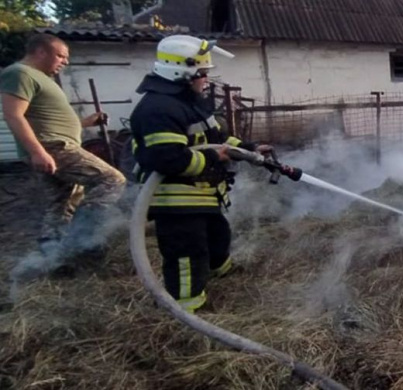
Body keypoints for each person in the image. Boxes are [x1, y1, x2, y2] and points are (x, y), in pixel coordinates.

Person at [129, 35, 281, 313]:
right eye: (202, 73)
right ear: (182, 72)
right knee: (187, 254)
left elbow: (218, 139)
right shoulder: (158, 109)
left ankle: (219, 274)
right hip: (176, 202)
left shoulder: (189, 102)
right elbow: (167, 158)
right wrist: (213, 157)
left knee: (217, 237)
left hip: (201, 195)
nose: (207, 79)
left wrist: (249, 149)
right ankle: (186, 309)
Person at [0, 34, 126, 266]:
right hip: (53, 147)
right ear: (40, 52)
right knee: (112, 179)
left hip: (54, 145)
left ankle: (54, 256)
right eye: (60, 55)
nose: (65, 62)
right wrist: (37, 151)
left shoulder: (39, 78)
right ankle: (85, 238)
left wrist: (87, 122)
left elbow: (49, 120)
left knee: (61, 200)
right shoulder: (20, 73)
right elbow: (13, 114)